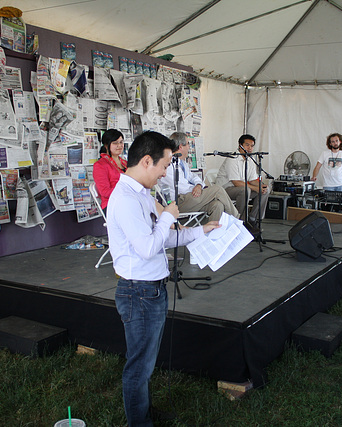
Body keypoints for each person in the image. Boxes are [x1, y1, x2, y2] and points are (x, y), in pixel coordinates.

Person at [107, 131, 220, 427]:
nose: (166, 172)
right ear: (147, 161)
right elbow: (147, 248)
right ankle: (139, 422)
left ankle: (142, 412)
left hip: (150, 291)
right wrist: (169, 215)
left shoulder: (141, 194)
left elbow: (163, 239)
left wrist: (201, 231)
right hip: (139, 292)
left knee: (145, 363)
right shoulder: (126, 199)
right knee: (139, 367)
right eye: (165, 165)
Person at [158, 132, 240, 223]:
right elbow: (182, 188)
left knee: (217, 205)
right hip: (179, 202)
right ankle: (236, 221)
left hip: (189, 198)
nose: (189, 147)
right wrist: (198, 189)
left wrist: (198, 185)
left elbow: (193, 177)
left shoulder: (182, 163)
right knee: (217, 190)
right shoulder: (170, 165)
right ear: (181, 147)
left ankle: (212, 235)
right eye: (188, 144)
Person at [215, 134, 270, 225]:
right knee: (245, 190)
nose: (250, 148)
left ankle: (253, 219)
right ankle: (240, 220)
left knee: (266, 190)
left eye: (252, 146)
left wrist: (261, 186)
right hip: (225, 190)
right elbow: (236, 182)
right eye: (247, 145)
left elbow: (252, 180)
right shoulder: (232, 159)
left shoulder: (250, 160)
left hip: (242, 188)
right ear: (240, 145)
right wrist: (255, 188)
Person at [93, 129, 127, 210]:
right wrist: (126, 191)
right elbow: (105, 192)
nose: (119, 145)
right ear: (106, 145)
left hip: (128, 201)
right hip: (112, 205)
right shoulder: (100, 165)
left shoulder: (126, 163)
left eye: (121, 142)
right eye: (115, 143)